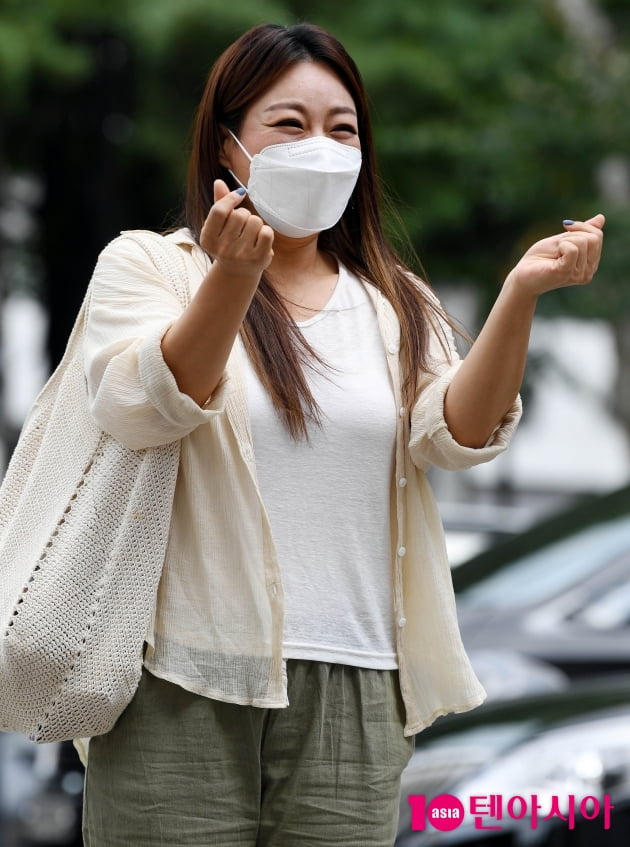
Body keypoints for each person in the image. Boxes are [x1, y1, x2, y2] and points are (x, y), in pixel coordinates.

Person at [79, 21, 604, 847]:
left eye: (343, 127)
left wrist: (520, 294)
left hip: (359, 684)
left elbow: (458, 433)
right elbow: (150, 402)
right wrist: (236, 275)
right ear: (229, 146)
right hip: (180, 674)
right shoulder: (150, 266)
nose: (321, 146)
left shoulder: (398, 303)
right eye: (289, 125)